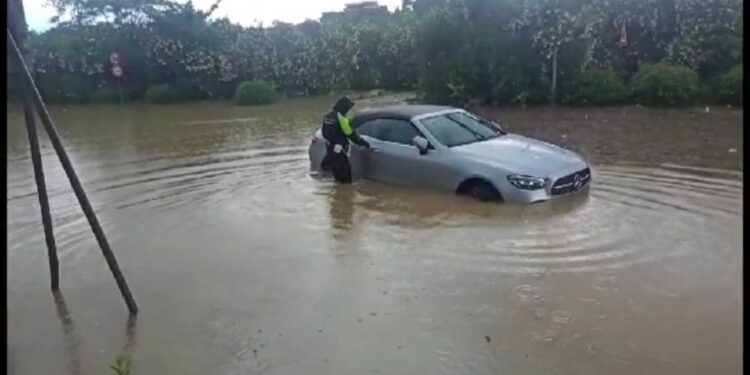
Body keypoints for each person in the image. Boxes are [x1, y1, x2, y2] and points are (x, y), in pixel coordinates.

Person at [320, 97, 371, 183]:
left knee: (337, 177)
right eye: (348, 108)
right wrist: (364, 143)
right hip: (340, 151)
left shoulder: (327, 116)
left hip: (330, 150)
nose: (348, 110)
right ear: (344, 107)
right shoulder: (342, 119)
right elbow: (352, 135)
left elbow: (324, 133)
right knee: (346, 179)